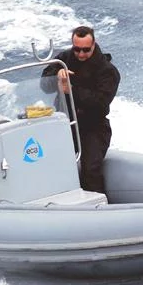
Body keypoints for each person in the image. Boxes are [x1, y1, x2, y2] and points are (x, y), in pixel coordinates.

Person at [42, 25, 120, 194]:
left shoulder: (108, 71)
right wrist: (57, 75)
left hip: (93, 127)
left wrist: (71, 89)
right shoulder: (64, 59)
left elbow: (100, 102)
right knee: (50, 164)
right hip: (65, 123)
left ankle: (98, 210)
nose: (81, 54)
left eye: (86, 50)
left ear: (94, 45)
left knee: (90, 169)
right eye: (77, 50)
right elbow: (44, 84)